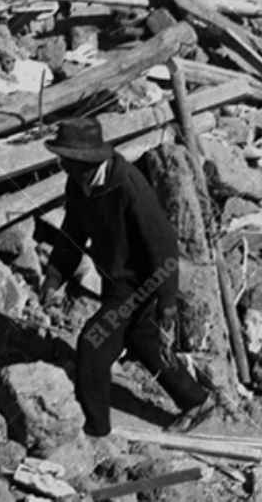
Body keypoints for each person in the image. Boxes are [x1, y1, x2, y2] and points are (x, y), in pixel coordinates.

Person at [39, 116, 214, 438]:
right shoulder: (79, 184)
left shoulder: (130, 186)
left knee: (93, 344)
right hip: (116, 279)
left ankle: (96, 428)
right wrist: (54, 276)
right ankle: (196, 400)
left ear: (83, 160)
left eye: (65, 158)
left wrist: (166, 302)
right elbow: (72, 233)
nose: (61, 164)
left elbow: (163, 245)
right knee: (141, 339)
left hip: (141, 282)